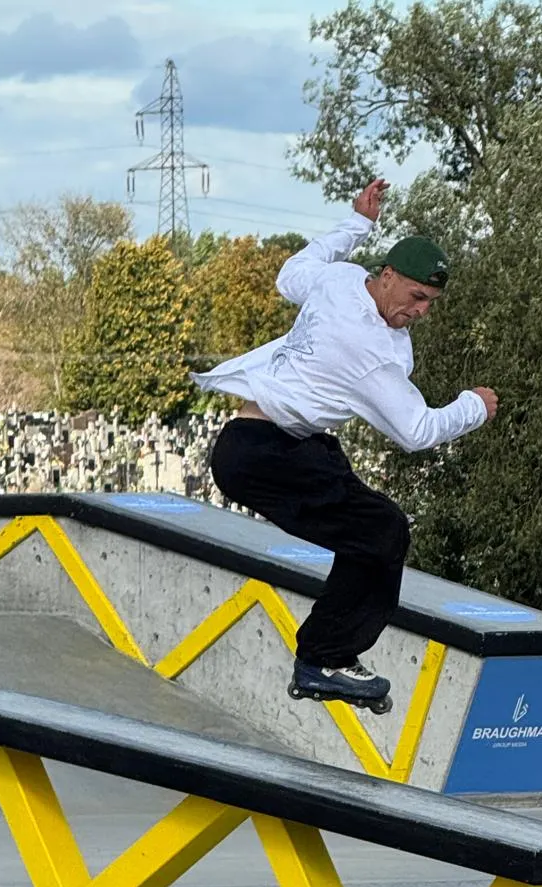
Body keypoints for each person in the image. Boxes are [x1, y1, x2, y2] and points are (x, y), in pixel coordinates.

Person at [193, 178, 497, 712]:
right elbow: (417, 432)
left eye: (431, 303)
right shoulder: (370, 353)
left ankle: (330, 651)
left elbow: (292, 275)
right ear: (387, 277)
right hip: (264, 455)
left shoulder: (340, 282)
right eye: (416, 297)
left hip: (276, 443)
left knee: (360, 510)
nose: (421, 312)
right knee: (382, 529)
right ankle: (324, 659)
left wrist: (357, 225)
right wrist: (474, 405)